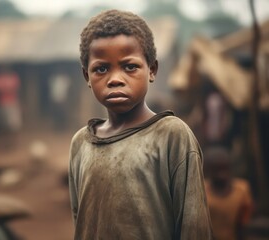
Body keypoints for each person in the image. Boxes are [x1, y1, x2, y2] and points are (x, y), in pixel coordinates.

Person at [68, 9, 213, 240]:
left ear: (152, 70)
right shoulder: (81, 144)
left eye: (129, 66)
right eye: (101, 69)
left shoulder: (171, 135)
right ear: (87, 76)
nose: (115, 79)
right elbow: (81, 222)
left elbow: (194, 227)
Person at [204, 146, 253, 240]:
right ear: (208, 170)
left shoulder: (242, 190)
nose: (221, 173)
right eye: (216, 169)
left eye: (224, 168)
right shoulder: (201, 190)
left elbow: (243, 225)